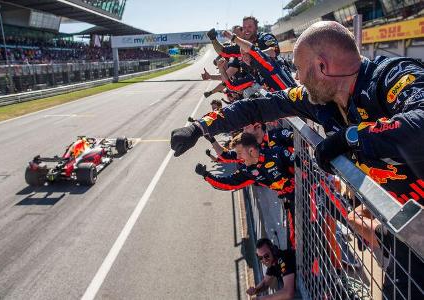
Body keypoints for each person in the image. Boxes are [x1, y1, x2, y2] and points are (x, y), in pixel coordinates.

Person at [171, 21, 424, 299]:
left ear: (322, 67)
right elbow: (259, 106)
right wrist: (200, 128)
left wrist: (349, 138)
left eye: (300, 70)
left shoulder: (394, 76)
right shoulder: (318, 100)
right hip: (410, 233)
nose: (298, 79)